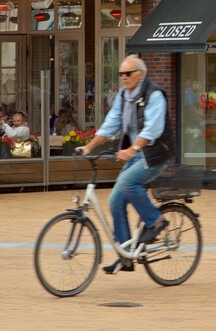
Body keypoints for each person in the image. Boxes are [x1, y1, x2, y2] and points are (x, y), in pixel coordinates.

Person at [76, 55, 176, 273]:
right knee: (114, 201)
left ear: (140, 74)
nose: (123, 77)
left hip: (156, 154)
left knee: (127, 183)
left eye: (127, 73)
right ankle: (125, 255)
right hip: (138, 154)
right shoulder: (124, 96)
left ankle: (156, 221)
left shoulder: (154, 95)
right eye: (121, 74)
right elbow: (110, 124)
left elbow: (152, 131)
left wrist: (132, 150)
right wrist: (89, 147)